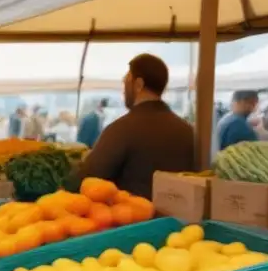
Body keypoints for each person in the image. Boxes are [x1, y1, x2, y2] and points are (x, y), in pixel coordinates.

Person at [71, 54, 195, 199]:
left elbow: (88, 179)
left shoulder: (121, 130)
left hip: (134, 218)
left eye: (126, 81)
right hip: (180, 219)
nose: (123, 89)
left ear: (138, 84)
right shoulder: (187, 131)